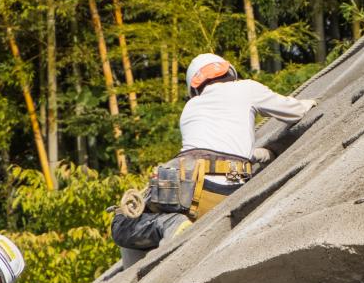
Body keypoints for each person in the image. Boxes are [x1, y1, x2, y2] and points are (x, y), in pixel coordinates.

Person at [110, 53, 317, 258]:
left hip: (186, 193)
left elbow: (209, 151)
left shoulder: (190, 108)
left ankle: (169, 225)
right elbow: (294, 112)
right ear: (229, 71)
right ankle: (173, 225)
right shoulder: (247, 88)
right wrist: (309, 104)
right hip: (225, 192)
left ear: (194, 86)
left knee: (121, 223)